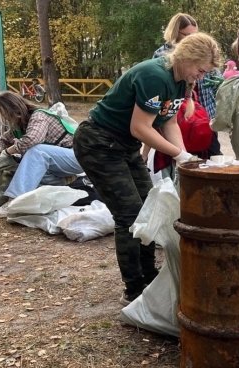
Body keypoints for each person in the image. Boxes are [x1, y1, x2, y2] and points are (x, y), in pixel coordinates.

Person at [73, 33, 221, 304]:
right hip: (99, 143)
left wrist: (183, 156)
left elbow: (169, 122)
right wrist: (178, 153)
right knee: (129, 216)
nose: (201, 76)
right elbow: (139, 127)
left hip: (124, 147)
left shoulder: (179, 81)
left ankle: (148, 277)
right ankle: (133, 289)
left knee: (148, 209)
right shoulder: (155, 76)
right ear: (187, 58)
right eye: (200, 70)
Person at [0, 92, 83, 215]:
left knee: (37, 151)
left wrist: (7, 152)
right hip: (62, 164)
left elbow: (32, 139)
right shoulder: (21, 124)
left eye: (4, 115)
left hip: (79, 156)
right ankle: (65, 182)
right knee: (24, 167)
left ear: (13, 109)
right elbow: (4, 138)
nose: (5, 120)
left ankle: (14, 201)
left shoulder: (39, 115)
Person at [153, 13, 221, 158]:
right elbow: (154, 118)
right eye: (188, 36)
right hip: (177, 118)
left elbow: (217, 82)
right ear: (175, 32)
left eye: (195, 35)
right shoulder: (162, 61)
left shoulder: (205, 54)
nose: (193, 40)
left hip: (203, 117)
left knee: (212, 157)